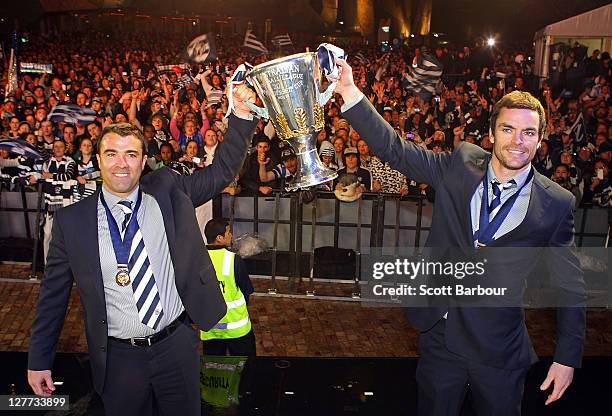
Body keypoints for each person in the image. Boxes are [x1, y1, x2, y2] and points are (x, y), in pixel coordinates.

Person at [333, 59, 585, 415]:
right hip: (441, 337)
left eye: (528, 133)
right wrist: (348, 91)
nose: (517, 141)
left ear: (541, 139)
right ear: (492, 133)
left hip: (498, 349)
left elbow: (570, 284)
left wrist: (567, 357)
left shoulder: (557, 203)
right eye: (508, 129)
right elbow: (395, 149)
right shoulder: (461, 164)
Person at [27, 84, 258, 416]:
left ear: (143, 160)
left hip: (176, 345)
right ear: (97, 159)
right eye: (111, 154)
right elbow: (52, 296)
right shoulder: (71, 222)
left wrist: (241, 115)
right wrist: (38, 360)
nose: (121, 164)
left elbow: (222, 171)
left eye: (131, 154)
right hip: (118, 358)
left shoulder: (168, 189)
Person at [200, 218, 255, 356]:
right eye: (228, 232)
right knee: (245, 369)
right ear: (219, 238)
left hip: (210, 329)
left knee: (215, 372)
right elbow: (246, 290)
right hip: (237, 328)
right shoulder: (233, 260)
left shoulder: (198, 260)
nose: (231, 235)